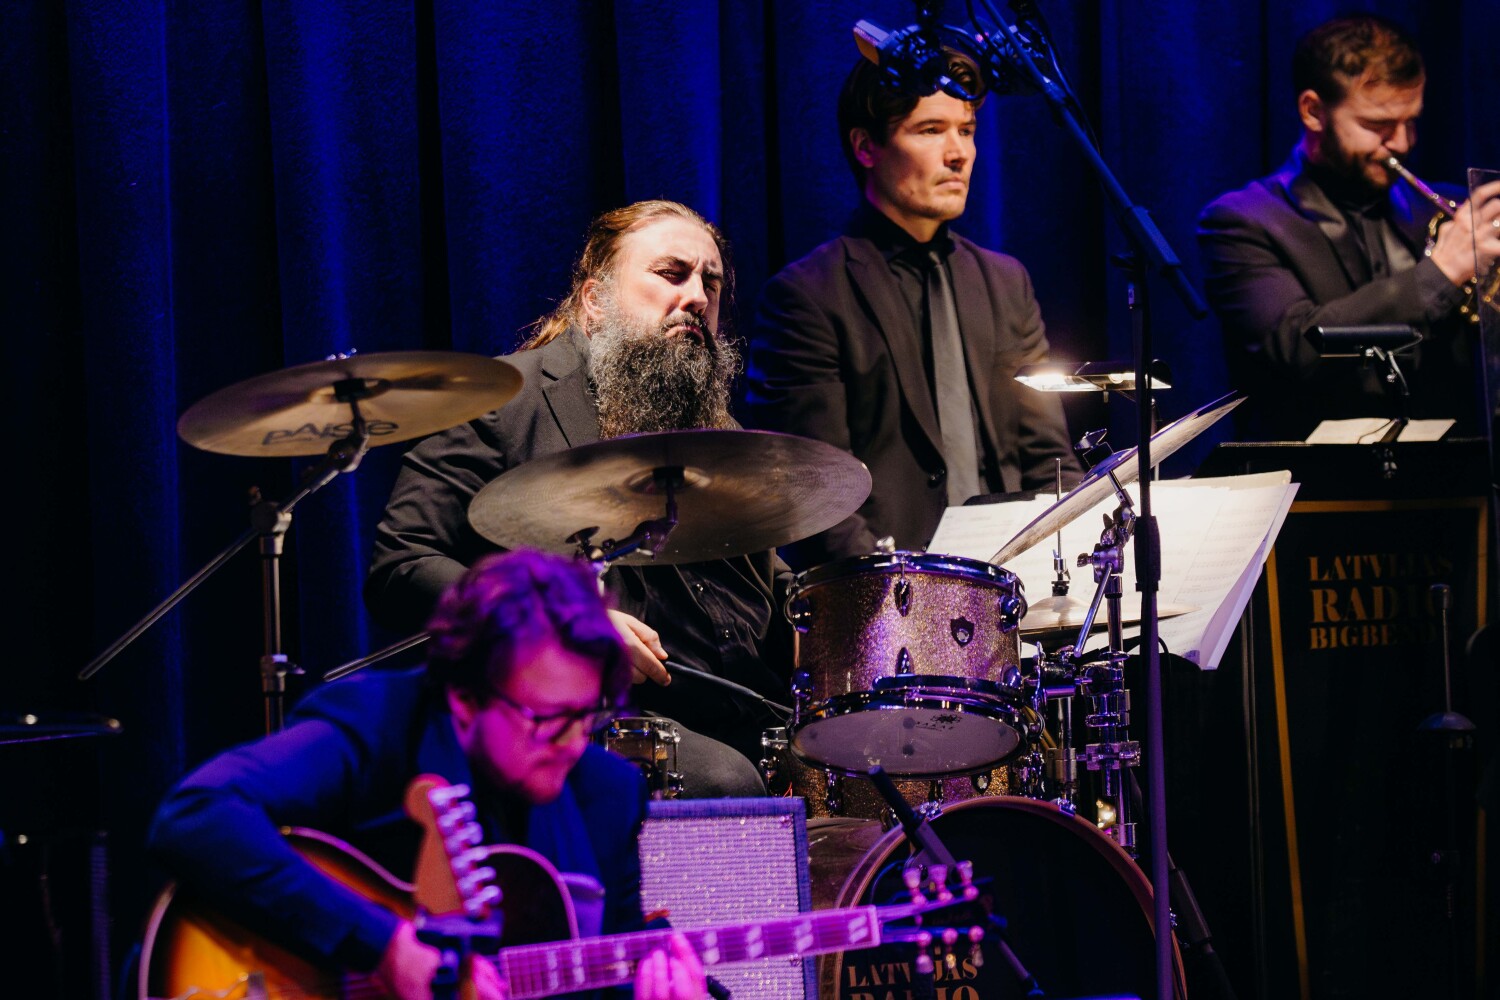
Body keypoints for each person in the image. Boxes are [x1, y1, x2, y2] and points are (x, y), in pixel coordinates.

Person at [365, 200, 792, 797]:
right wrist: (562, 622)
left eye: (711, 283)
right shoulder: (504, 404)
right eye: (672, 274)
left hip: (739, 708)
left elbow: (771, 586)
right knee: (726, 782)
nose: (697, 297)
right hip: (585, 715)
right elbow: (402, 566)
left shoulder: (718, 436)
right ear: (594, 300)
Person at [148, 549, 706, 1000]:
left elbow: (604, 966)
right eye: (545, 719)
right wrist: (382, 945)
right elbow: (197, 814)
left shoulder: (608, 793)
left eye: (586, 714)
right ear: (464, 696)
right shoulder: (380, 722)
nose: (572, 742)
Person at [744, 52, 1080, 570]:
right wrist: (909, 596)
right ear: (866, 146)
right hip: (887, 593)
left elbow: (1049, 461)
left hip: (1016, 585)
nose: (958, 153)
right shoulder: (807, 296)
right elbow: (816, 495)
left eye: (966, 130)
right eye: (930, 130)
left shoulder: (1006, 282)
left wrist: (1065, 564)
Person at [1198, 14, 1500, 441]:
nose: (1402, 142)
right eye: (1378, 125)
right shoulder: (1242, 221)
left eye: (1410, 121)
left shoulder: (1450, 213)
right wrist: (1441, 274)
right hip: (1314, 478)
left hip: (1459, 473)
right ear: (1313, 111)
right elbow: (1297, 347)